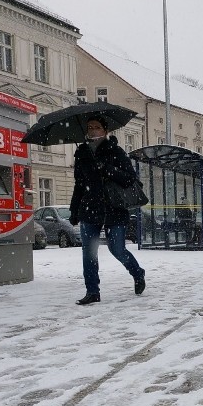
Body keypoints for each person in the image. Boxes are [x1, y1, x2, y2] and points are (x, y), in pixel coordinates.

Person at [69, 115, 146, 305]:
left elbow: (129, 179)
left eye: (96, 127)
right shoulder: (82, 154)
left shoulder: (116, 152)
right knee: (89, 252)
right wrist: (74, 210)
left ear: (105, 131)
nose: (92, 130)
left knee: (117, 249)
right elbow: (79, 185)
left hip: (114, 207)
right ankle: (92, 291)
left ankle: (137, 273)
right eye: (89, 127)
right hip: (90, 207)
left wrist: (106, 168)